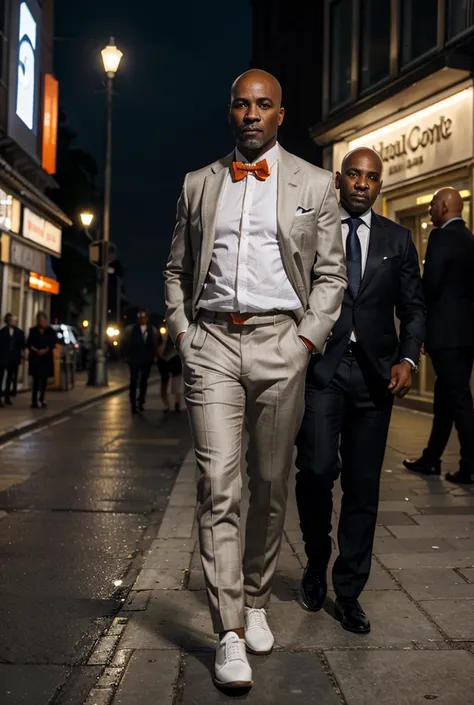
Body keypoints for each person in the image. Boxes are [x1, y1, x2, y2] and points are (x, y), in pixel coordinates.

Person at [164, 68, 347, 689]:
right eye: (242, 104)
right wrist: (185, 337)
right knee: (220, 485)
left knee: (270, 485)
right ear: (230, 111)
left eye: (262, 105)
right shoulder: (198, 184)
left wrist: (304, 342)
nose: (251, 114)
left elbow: (331, 276)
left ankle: (259, 596)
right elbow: (174, 269)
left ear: (279, 114)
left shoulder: (317, 184)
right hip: (212, 341)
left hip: (280, 343)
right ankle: (231, 631)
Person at [295, 147, 425, 635]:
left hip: (375, 378)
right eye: (354, 174)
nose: (362, 184)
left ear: (379, 185)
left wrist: (408, 358)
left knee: (363, 489)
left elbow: (414, 309)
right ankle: (314, 559)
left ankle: (348, 592)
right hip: (321, 372)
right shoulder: (313, 231)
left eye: (371, 178)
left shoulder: (399, 239)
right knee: (316, 469)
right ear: (338, 178)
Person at [404, 188, 474, 485]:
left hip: (446, 335)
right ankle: (431, 458)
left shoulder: (441, 237)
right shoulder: (469, 239)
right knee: (446, 398)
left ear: (445, 206)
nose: (430, 209)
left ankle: (470, 465)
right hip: (465, 335)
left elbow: (430, 285)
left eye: (433, 204)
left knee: (458, 400)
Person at [122, 311, 158, 414]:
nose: (142, 319)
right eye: (140, 318)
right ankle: (133, 403)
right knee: (133, 380)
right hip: (134, 358)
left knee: (144, 381)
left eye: (144, 318)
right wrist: (126, 355)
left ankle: (141, 401)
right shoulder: (131, 329)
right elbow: (125, 342)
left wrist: (154, 356)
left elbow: (155, 343)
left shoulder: (152, 330)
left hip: (146, 358)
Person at [27, 312, 57, 409]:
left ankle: (41, 399)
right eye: (40, 320)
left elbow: (53, 343)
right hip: (36, 358)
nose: (42, 322)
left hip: (46, 358)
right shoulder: (33, 331)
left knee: (44, 380)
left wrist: (45, 350)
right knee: (35, 380)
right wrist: (36, 350)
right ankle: (34, 400)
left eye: (43, 320)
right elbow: (29, 343)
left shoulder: (50, 331)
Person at [0, 315, 25, 405]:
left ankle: (7, 396)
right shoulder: (3, 332)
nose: (15, 322)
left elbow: (22, 345)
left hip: (14, 358)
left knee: (10, 378)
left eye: (16, 321)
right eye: (13, 321)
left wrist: (21, 356)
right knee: (1, 377)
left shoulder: (20, 333)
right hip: (3, 357)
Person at [157, 328, 183, 412]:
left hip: (174, 359)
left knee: (175, 381)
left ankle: (176, 402)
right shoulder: (163, 334)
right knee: (166, 381)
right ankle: (167, 404)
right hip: (166, 360)